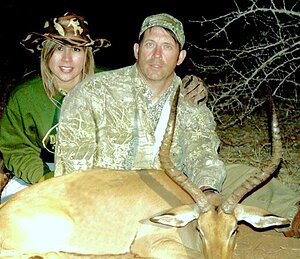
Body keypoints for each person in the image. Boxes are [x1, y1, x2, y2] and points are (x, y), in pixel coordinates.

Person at [54, 13, 299, 238]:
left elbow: (202, 152)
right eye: (150, 45)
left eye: (167, 47)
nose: (157, 55)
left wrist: (208, 189)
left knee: (240, 176)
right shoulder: (94, 91)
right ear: (137, 50)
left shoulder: (190, 99)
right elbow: (75, 172)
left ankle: (294, 216)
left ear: (180, 57)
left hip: (175, 191)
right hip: (115, 197)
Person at [0, 12, 111, 202]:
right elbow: (17, 150)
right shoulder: (24, 96)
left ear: (86, 54)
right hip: (41, 170)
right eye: (59, 48)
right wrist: (49, 180)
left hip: (99, 172)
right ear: (46, 51)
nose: (67, 59)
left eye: (76, 49)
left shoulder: (110, 87)